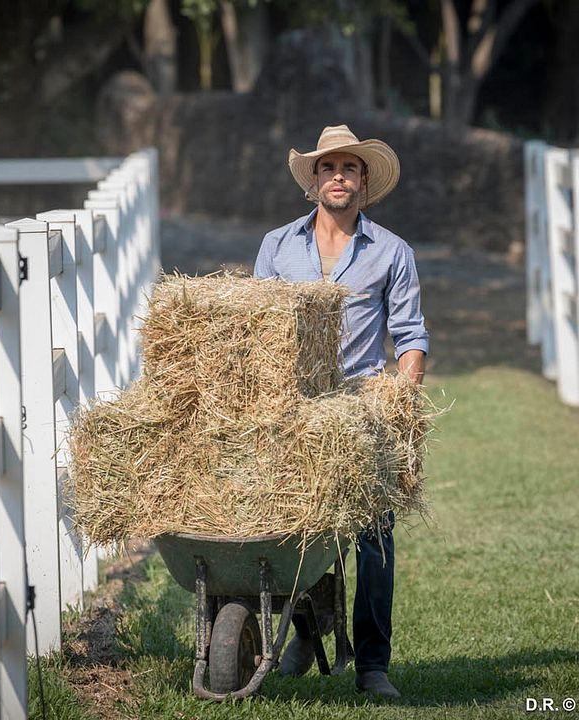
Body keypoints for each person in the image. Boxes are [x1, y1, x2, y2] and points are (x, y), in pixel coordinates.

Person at [253, 124, 429, 699]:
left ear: (364, 181)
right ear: (313, 180)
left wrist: (400, 407)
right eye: (328, 168)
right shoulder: (277, 248)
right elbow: (257, 332)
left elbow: (409, 338)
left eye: (349, 169)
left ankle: (373, 665)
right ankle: (307, 627)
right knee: (288, 529)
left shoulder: (393, 252)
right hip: (293, 407)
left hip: (362, 407)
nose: (338, 178)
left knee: (375, 535)